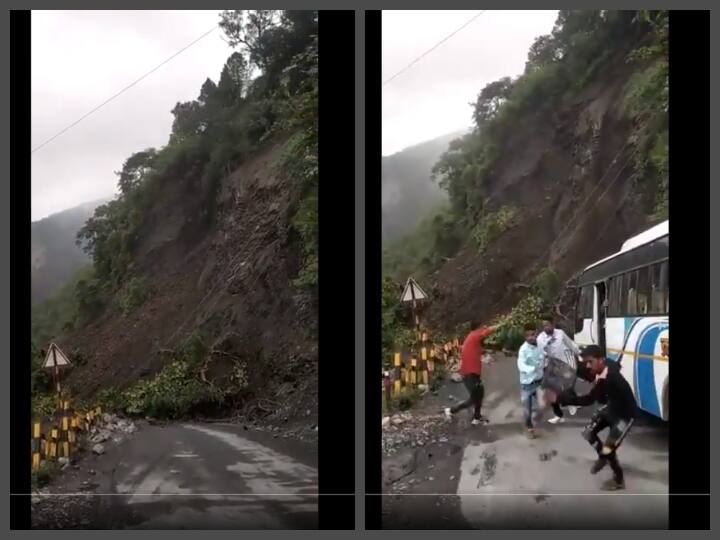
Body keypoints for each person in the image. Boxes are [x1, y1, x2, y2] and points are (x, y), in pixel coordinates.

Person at [547, 345, 637, 491]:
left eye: (590, 362)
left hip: (625, 416)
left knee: (609, 449)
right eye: (586, 362)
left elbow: (590, 399)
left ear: (601, 360)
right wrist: (565, 396)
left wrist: (565, 400)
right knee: (588, 433)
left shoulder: (609, 377)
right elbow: (591, 389)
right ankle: (603, 458)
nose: (588, 366)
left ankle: (619, 479)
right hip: (612, 408)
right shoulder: (602, 369)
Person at [444, 321, 499, 425]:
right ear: (476, 328)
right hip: (469, 374)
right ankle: (451, 410)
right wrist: (499, 325)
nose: (484, 327)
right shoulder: (474, 335)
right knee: (474, 398)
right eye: (482, 326)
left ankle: (476, 418)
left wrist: (485, 358)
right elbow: (485, 332)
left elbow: (478, 351)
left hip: (472, 374)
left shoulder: (473, 339)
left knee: (479, 394)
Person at [536, 317, 582, 423]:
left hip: (566, 363)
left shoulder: (560, 333)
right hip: (552, 365)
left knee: (567, 385)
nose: (546, 328)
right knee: (550, 389)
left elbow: (571, 344)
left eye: (548, 325)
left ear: (553, 325)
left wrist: (579, 353)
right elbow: (540, 353)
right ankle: (559, 413)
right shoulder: (540, 338)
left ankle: (571, 403)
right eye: (544, 326)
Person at [517, 325, 545, 439]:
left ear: (536, 333)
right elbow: (521, 365)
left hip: (539, 382)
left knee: (541, 407)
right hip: (527, 384)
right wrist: (533, 368)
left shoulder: (540, 345)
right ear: (525, 336)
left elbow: (543, 357)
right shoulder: (523, 349)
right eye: (528, 335)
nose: (531, 337)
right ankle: (530, 428)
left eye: (533, 334)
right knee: (527, 410)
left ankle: (533, 423)